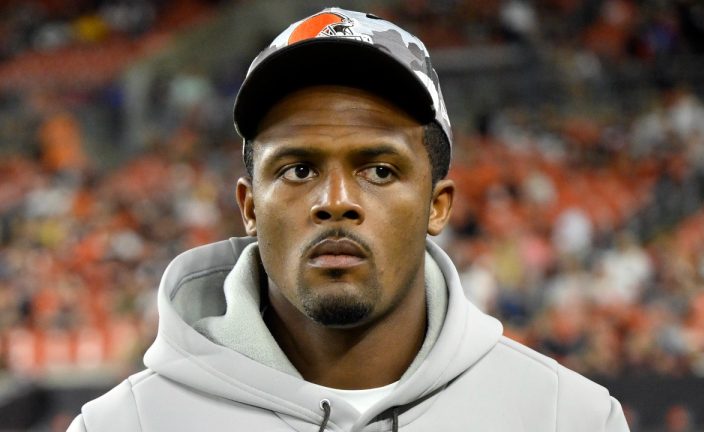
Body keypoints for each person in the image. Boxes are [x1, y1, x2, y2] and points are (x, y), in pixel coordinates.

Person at [67, 8, 629, 431]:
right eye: (297, 169)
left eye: (380, 170)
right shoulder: (123, 425)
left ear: (438, 205)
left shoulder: (568, 418)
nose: (335, 200)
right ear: (249, 207)